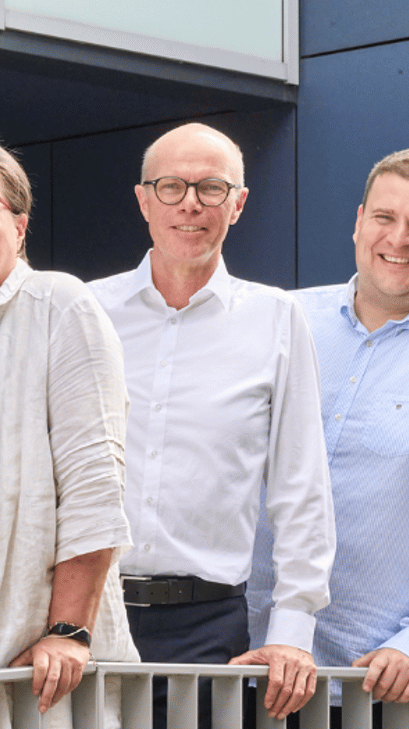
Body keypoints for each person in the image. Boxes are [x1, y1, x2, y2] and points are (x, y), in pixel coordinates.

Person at [86, 123, 334, 722]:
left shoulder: (278, 319)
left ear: (239, 204)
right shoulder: (85, 309)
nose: (190, 203)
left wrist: (293, 630)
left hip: (208, 629)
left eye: (212, 188)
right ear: (143, 200)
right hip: (85, 616)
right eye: (171, 187)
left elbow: (302, 487)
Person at [0, 138, 140, 726]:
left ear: (19, 223)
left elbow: (95, 484)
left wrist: (68, 630)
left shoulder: (61, 306)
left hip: (30, 654)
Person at [248, 147, 409, 721]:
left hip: (381, 683)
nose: (398, 238)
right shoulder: (285, 318)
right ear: (358, 221)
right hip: (249, 665)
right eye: (384, 217)